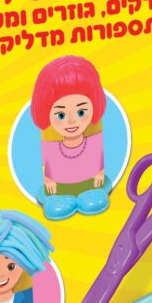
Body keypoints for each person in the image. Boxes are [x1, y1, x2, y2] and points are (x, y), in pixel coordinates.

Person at [30, 55, 109, 220]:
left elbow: (97, 153)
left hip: (91, 184)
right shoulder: (51, 141)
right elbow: (48, 160)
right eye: (61, 115)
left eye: (81, 112)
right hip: (60, 187)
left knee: (92, 198)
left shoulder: (93, 136)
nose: (72, 121)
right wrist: (49, 179)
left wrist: (100, 172)